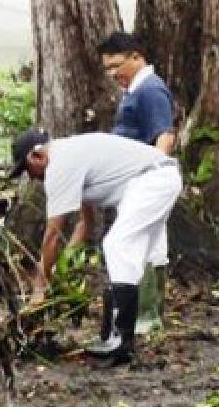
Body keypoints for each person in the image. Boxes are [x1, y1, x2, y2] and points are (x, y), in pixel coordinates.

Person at [10, 128, 182, 365]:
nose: (33, 178)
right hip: (158, 178)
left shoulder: (59, 164)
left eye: (28, 171)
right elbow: (85, 223)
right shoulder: (71, 154)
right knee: (129, 254)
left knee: (117, 245)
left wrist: (41, 287)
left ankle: (121, 340)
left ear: (36, 156)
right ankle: (112, 334)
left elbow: (51, 235)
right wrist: (63, 270)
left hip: (151, 180)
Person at [97, 31, 175, 334]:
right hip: (135, 182)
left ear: (136, 57)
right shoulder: (136, 90)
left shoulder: (150, 90)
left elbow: (164, 137)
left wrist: (151, 177)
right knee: (149, 245)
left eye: (116, 66)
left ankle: (141, 319)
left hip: (146, 181)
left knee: (126, 243)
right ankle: (147, 317)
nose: (113, 74)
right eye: (107, 69)